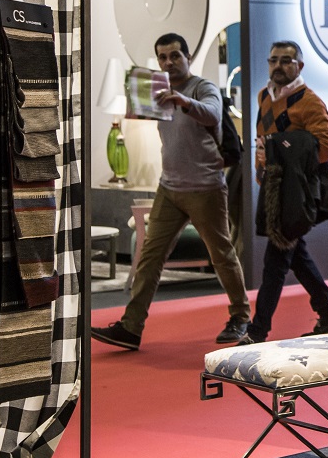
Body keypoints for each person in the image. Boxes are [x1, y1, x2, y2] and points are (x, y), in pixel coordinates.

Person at [92, 33, 251, 350]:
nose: (168, 62)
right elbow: (144, 114)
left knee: (221, 255)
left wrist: (183, 101)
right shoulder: (158, 90)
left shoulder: (202, 88)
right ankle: (131, 327)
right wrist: (136, 97)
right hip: (169, 187)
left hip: (205, 188)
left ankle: (240, 316)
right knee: (150, 258)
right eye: (162, 57)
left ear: (187, 57)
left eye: (175, 55)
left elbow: (212, 113)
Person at [236, 41, 328, 344]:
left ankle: (257, 332)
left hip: (297, 193)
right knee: (295, 255)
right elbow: (262, 140)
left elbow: (325, 149)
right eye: (273, 60)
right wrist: (263, 167)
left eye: (286, 60)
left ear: (300, 66)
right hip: (274, 189)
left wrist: (280, 152)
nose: (278, 66)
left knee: (276, 260)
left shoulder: (309, 101)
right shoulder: (264, 95)